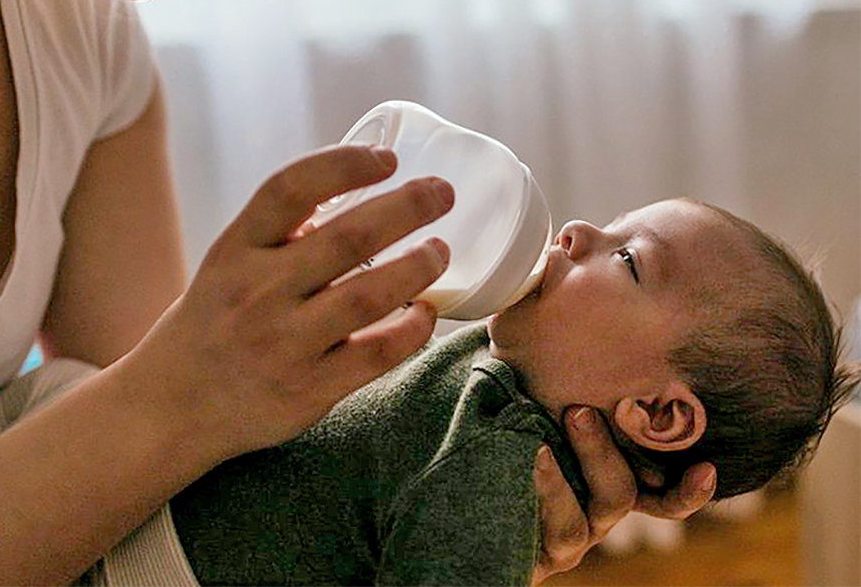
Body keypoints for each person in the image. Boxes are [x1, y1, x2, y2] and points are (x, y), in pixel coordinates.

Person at [0, 0, 715, 585]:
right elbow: (149, 412)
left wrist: (415, 511)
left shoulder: (81, 27)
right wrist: (182, 393)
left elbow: (141, 487)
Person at [169, 199, 860, 585]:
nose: (579, 230)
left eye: (625, 258)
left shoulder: (494, 472)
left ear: (658, 411)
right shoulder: (512, 364)